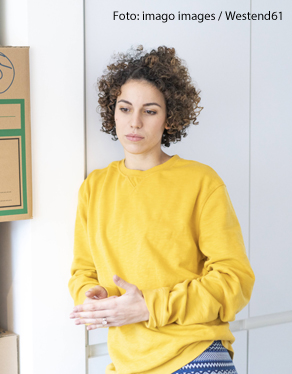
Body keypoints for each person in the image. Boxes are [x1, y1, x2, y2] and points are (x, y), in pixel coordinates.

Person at [68, 46, 255, 374]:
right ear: (112, 111)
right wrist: (90, 294)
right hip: (127, 362)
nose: (134, 122)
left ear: (169, 118)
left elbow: (235, 280)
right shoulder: (94, 187)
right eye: (125, 108)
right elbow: (82, 270)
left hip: (193, 355)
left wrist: (148, 306)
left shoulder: (200, 182)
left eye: (150, 111)